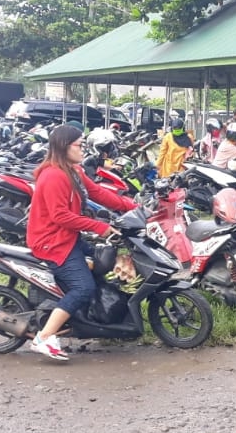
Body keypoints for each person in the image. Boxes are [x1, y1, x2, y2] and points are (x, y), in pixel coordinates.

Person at [25, 125, 138, 362]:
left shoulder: (73, 171)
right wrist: (100, 227)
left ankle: (85, 321)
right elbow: (60, 216)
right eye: (79, 144)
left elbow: (97, 192)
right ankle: (44, 337)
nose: (83, 149)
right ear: (64, 147)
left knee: (102, 263)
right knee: (83, 288)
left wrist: (135, 207)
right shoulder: (53, 175)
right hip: (52, 242)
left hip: (67, 238)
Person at [156, 113, 193, 178]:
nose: (177, 131)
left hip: (169, 168)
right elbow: (191, 152)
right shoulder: (189, 137)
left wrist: (157, 165)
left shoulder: (168, 136)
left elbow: (162, 152)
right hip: (182, 168)